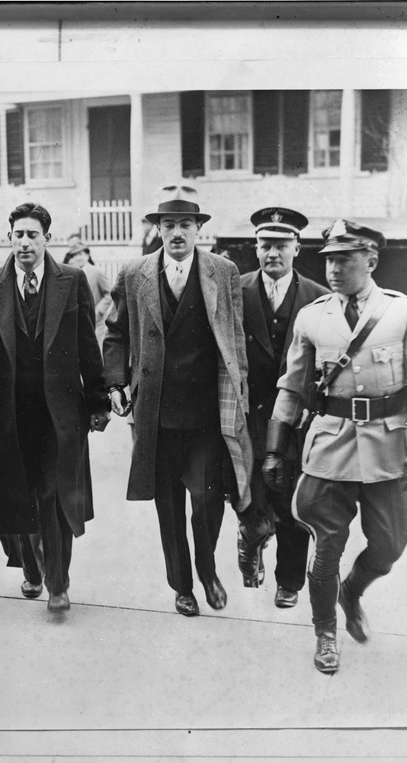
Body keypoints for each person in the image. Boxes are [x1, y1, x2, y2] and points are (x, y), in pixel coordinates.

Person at [263, 219, 407, 674]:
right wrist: (273, 447)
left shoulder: (405, 312)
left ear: (371, 260)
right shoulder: (313, 316)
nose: (334, 268)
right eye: (328, 259)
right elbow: (291, 388)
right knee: (327, 546)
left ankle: (353, 591)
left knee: (389, 545)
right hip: (332, 445)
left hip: (388, 446)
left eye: (344, 259)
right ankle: (325, 632)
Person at [103, 185, 260, 618]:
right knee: (168, 505)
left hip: (207, 411)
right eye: (168, 225)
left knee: (208, 500)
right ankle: (182, 585)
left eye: (185, 226)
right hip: (157, 412)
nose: (176, 233)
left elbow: (235, 339)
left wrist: (240, 391)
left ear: (198, 231)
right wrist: (116, 383)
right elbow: (115, 333)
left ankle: (208, 570)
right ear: (158, 230)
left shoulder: (223, 271)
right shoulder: (134, 273)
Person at [0, 202, 109, 614]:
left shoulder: (72, 281)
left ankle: (58, 584)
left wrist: (97, 400)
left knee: (54, 496)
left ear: (47, 238)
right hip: (6, 414)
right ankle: (30, 566)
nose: (25, 242)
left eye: (33, 234)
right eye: (18, 234)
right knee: (11, 497)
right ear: (10, 238)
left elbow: (86, 344)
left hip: (58, 414)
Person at [236, 207, 329, 606]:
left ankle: (289, 581)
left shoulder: (318, 297)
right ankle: (250, 542)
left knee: (293, 500)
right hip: (248, 415)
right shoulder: (234, 291)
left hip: (296, 419)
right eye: (265, 245)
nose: (272, 253)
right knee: (250, 498)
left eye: (281, 245)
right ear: (255, 249)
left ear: (297, 248)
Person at [66, 241, 112, 343]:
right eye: (75, 255)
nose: (78, 258)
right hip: (80, 321)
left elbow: (109, 293)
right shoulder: (71, 273)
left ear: (87, 255)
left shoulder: (96, 272)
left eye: (80, 254)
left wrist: (99, 310)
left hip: (97, 321)